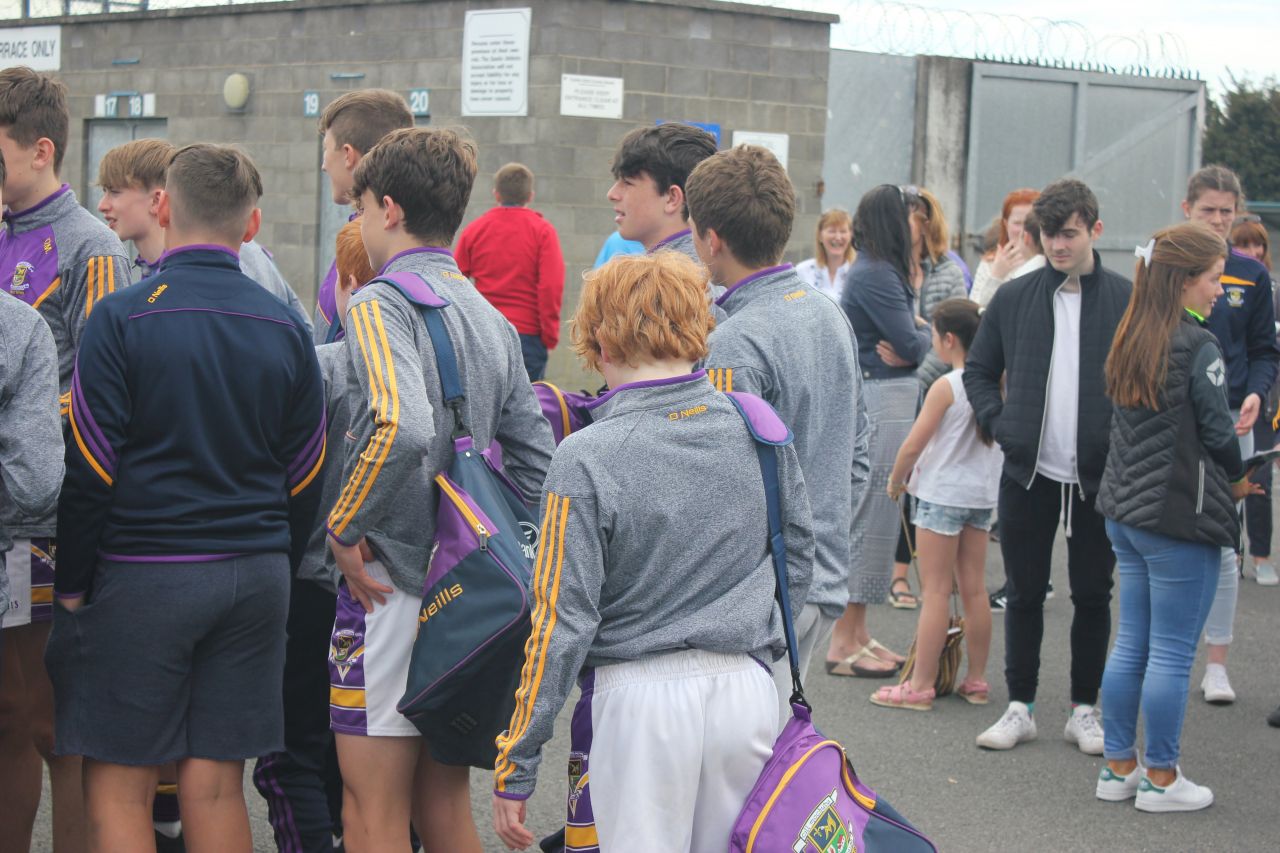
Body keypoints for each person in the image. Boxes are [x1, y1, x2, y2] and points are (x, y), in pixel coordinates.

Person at [45, 143, 326, 852]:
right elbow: (306, 472)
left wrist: (73, 583)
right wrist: (274, 559)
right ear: (253, 224)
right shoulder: (288, 326)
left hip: (145, 570)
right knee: (215, 784)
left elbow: (92, 468)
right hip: (255, 570)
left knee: (119, 784)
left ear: (164, 206)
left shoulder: (122, 317)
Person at [490, 251, 815, 851]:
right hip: (746, 685)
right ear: (700, 327)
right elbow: (796, 561)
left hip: (638, 697)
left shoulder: (586, 456)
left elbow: (561, 620)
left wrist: (518, 757)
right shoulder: (758, 429)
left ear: (601, 343)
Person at [325, 127, 553, 853]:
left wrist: (343, 522)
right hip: (473, 587)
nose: (356, 221)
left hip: (390, 580)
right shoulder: (487, 313)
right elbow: (538, 460)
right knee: (443, 803)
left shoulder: (379, 303)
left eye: (359, 207)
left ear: (387, 208)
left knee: (372, 806)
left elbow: (399, 423)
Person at [0, 65, 131, 853]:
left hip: (53, 519)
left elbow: (104, 395)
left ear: (41, 149)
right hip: (2, 517)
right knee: (6, 717)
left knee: (54, 723)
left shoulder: (94, 246)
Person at [688, 144, 867, 722]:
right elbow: (858, 456)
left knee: (741, 781)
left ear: (711, 239)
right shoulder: (826, 313)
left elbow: (721, 491)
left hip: (766, 599)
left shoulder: (734, 342)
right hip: (818, 581)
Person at [1094, 221, 1257, 811]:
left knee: (1131, 641)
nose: (1220, 291)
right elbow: (1218, 432)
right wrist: (1242, 482)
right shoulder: (1199, 345)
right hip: (1177, 518)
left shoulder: (1133, 330)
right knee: (1169, 651)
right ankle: (1162, 779)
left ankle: (1118, 770)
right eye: (1214, 279)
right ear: (1185, 280)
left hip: (1127, 511)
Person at [965, 178, 1131, 754]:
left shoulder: (1123, 299)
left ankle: (1085, 709)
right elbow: (978, 371)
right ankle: (1021, 706)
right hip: (1027, 469)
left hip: (1097, 473)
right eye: (1049, 235)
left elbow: (1143, 380)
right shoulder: (1014, 297)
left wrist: (1122, 442)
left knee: (1092, 593)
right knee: (1025, 591)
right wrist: (1003, 427)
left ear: (1094, 231)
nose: (1058, 246)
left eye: (1069, 234)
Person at [254, 219, 373, 853]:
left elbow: (283, 468)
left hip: (314, 577)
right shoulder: (440, 365)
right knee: (368, 756)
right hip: (402, 583)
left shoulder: (325, 366)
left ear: (348, 285)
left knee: (290, 754)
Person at [1181, 165, 1279, 705]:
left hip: (1234, 427)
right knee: (1165, 541)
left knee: (1222, 545)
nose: (1218, 221)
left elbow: (1265, 350)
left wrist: (1257, 394)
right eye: (1207, 211)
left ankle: (1217, 662)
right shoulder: (1161, 263)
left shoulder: (1252, 275)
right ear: (1186, 209)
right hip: (1173, 428)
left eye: (1226, 211)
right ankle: (1166, 652)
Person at [873, 298, 997, 712]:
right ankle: (976, 680)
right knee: (975, 588)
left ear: (948, 339)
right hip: (980, 496)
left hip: (941, 495)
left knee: (937, 591)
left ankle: (921, 684)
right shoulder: (997, 381)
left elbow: (914, 443)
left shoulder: (948, 385)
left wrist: (895, 481)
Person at [826, 184, 930, 679]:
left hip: (889, 393)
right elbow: (912, 340)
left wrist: (915, 335)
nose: (918, 223)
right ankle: (843, 641)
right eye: (911, 215)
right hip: (880, 396)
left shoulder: (881, 270)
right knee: (871, 514)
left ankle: (859, 633)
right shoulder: (876, 274)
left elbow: (910, 341)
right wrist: (924, 332)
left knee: (881, 515)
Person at [96, 137, 311, 326]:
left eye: (114, 192)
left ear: (157, 201)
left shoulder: (243, 257)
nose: (102, 205)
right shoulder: (137, 274)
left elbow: (290, 333)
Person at [882, 187, 968, 610]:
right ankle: (893, 573)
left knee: (929, 480)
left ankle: (919, 573)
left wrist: (911, 357)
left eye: (912, 218)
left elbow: (951, 338)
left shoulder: (948, 271)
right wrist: (914, 342)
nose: (904, 226)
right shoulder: (887, 270)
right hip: (898, 389)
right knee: (902, 480)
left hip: (933, 389)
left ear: (926, 224)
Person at [1, 147, 65, 687]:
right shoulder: (18, 329)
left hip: (26, 543)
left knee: (27, 717)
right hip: (18, 533)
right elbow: (37, 482)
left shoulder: (87, 246)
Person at [313, 88, 414, 344]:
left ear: (347, 154)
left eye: (326, 148)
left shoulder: (373, 244)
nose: (324, 165)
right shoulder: (403, 235)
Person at [454, 162, 566, 381]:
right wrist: (550, 337)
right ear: (530, 196)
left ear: (496, 194)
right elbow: (551, 287)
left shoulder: (475, 230)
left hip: (483, 333)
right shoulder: (543, 232)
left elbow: (454, 280)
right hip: (528, 337)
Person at [1230, 216, 1279, 587]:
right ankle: (1231, 552)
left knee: (1259, 475)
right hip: (1229, 395)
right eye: (1244, 245)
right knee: (1226, 480)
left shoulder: (1271, 289)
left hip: (1266, 397)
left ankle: (1261, 554)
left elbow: (1268, 351)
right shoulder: (1214, 287)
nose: (1252, 252)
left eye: (1257, 244)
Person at [970, 188, 1043, 307]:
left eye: (1028, 223)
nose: (1023, 231)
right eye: (1017, 223)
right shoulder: (990, 262)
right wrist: (996, 276)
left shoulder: (1050, 261)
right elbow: (974, 310)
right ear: (1005, 224)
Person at [794, 207, 854, 299]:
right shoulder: (802, 271)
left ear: (850, 236)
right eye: (832, 231)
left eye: (843, 231)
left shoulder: (857, 275)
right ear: (820, 236)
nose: (838, 237)